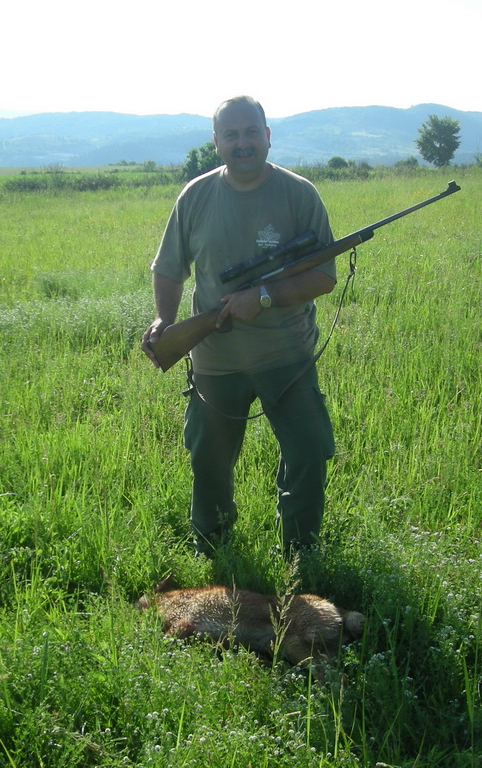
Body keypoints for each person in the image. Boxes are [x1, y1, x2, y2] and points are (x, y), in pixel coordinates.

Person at [142, 95, 337, 555]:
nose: (242, 142)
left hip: (286, 354)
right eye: (231, 134)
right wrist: (164, 319)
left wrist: (263, 297)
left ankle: (300, 554)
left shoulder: (299, 193)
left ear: (267, 137)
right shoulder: (195, 195)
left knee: (308, 452)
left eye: (251, 132)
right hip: (216, 357)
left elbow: (323, 276)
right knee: (209, 458)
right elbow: (169, 268)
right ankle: (212, 546)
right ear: (216, 143)